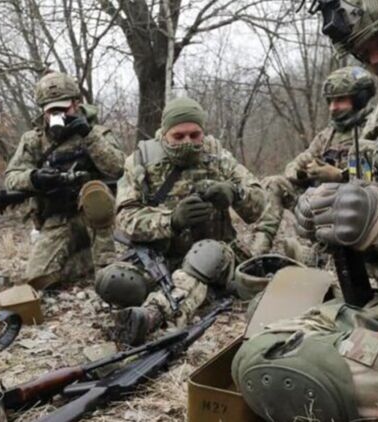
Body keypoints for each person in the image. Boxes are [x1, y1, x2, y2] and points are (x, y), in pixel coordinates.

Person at [233, 0, 378, 420]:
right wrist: (333, 211)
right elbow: (371, 190)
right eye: (363, 51)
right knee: (267, 321)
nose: (376, 60)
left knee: (294, 367)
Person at [96, 97, 266, 345]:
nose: (188, 142)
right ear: (164, 133)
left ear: (203, 133)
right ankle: (189, 291)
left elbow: (259, 205)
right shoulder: (140, 161)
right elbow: (125, 219)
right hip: (161, 257)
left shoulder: (218, 156)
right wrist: (172, 220)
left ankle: (155, 315)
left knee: (205, 255)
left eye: (195, 135)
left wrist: (234, 193)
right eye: (179, 136)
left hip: (216, 254)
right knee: (112, 282)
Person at [3, 71, 125, 290]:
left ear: (76, 104)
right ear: (43, 110)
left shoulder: (96, 133)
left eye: (63, 109)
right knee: (38, 279)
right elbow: (11, 178)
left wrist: (88, 136)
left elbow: (118, 168)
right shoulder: (34, 140)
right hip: (58, 216)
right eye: (51, 111)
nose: (57, 115)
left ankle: (103, 260)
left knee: (96, 197)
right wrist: (35, 178)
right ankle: (82, 260)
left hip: (94, 216)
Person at [249, 66, 376, 260]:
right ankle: (257, 252)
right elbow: (293, 167)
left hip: (356, 211)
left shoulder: (372, 130)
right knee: (275, 183)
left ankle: (317, 256)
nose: (333, 107)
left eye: (340, 100)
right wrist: (303, 171)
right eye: (330, 101)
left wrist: (339, 176)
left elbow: (376, 182)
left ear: (360, 99)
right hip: (321, 205)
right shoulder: (327, 136)